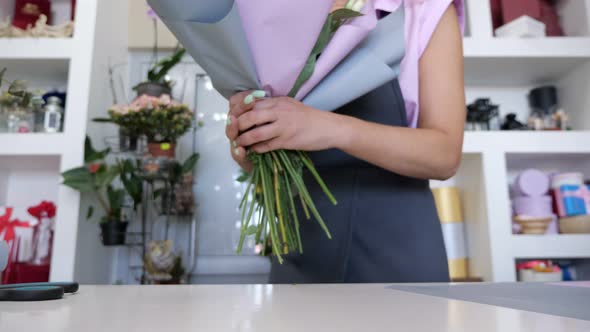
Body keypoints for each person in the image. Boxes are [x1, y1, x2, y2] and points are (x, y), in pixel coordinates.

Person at [225, 0, 466, 283]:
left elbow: (445, 155)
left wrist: (331, 129)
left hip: (396, 254)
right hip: (302, 249)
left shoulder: (423, 9)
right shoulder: (280, 18)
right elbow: (277, 175)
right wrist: (254, 143)